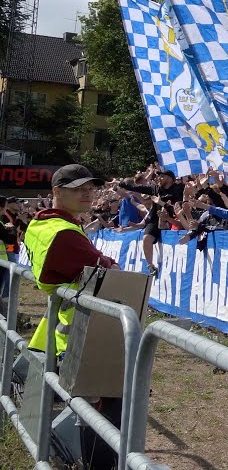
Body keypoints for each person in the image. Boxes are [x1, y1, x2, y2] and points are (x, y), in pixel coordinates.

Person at [24, 164, 120, 470]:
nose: (87, 193)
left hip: (65, 329)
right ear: (56, 192)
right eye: (78, 188)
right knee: (100, 411)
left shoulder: (45, 225)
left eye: (90, 188)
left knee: (90, 408)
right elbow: (107, 269)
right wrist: (105, 261)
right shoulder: (63, 232)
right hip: (82, 334)